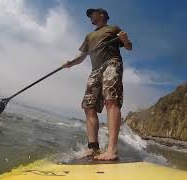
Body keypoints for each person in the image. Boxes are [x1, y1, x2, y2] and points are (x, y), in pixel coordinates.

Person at [62, 8, 132, 160]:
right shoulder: (89, 36)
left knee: (111, 100)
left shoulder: (113, 28)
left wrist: (125, 40)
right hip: (95, 70)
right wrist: (71, 63)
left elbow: (128, 46)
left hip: (111, 63)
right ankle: (93, 148)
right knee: (89, 106)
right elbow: (81, 56)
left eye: (92, 14)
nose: (90, 17)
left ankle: (112, 150)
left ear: (101, 15)